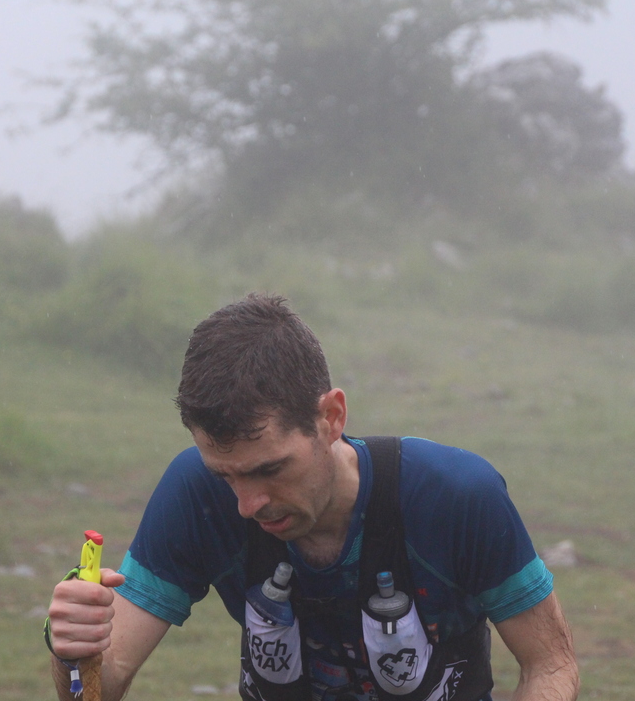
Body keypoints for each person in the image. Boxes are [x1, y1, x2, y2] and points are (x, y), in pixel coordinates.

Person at [47, 293, 578, 701]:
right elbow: (98, 687)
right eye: (227, 476)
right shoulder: (195, 491)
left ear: (332, 418)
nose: (248, 505)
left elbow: (551, 665)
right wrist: (73, 648)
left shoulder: (457, 495)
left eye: (270, 469)